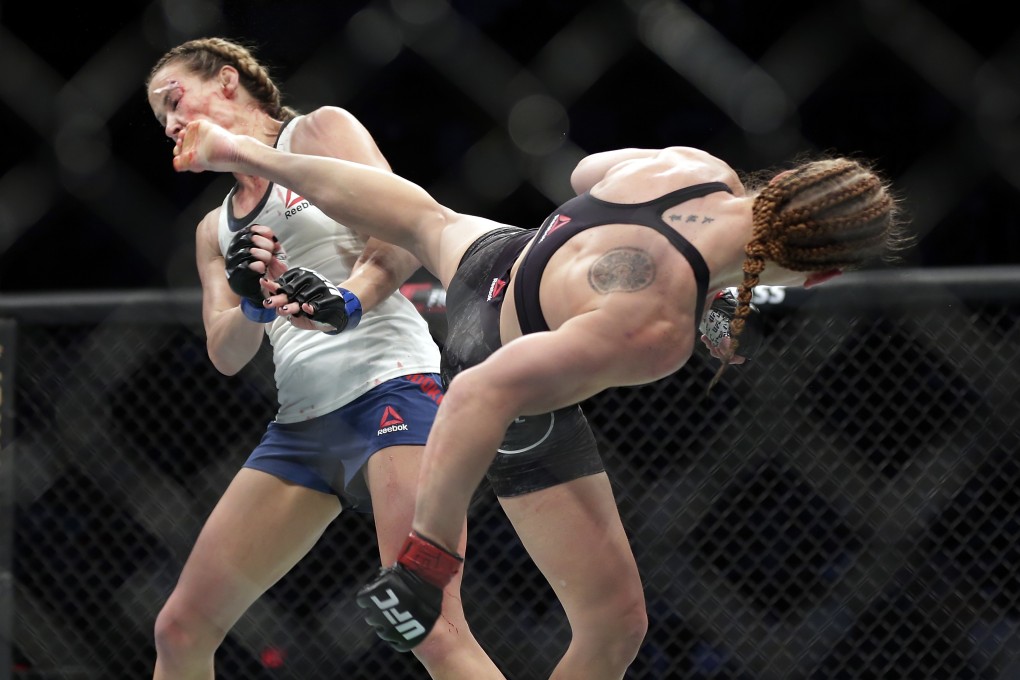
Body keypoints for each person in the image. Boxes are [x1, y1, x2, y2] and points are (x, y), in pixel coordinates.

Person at [170, 117, 909, 680]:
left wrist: (704, 280)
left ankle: (251, 155)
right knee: (611, 625)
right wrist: (426, 561)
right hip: (495, 358)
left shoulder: (693, 169)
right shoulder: (657, 325)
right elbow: (479, 394)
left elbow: (588, 171)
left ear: (785, 180)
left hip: (500, 257)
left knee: (426, 219)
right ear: (820, 276)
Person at [144, 38, 506, 680]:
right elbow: (225, 353)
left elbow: (407, 232)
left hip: (392, 389)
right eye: (160, 117)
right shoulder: (213, 229)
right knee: (179, 631)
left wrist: (347, 300)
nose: (170, 123)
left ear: (226, 80)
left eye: (175, 100)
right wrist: (253, 302)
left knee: (429, 627)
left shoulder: (318, 132)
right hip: (301, 426)